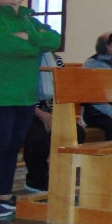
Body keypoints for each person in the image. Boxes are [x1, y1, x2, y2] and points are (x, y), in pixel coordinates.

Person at [0, 0, 61, 218]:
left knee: (12, 147)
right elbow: (4, 45)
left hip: (25, 95)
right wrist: (35, 45)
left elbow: (55, 40)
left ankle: (2, 195)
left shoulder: (30, 19)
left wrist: (27, 36)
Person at [23, 52, 86, 192]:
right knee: (38, 136)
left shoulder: (57, 60)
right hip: (30, 111)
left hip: (55, 111)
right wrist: (43, 115)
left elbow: (65, 89)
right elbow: (22, 94)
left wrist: (62, 116)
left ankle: (61, 175)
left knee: (77, 133)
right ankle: (36, 180)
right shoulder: (26, 59)